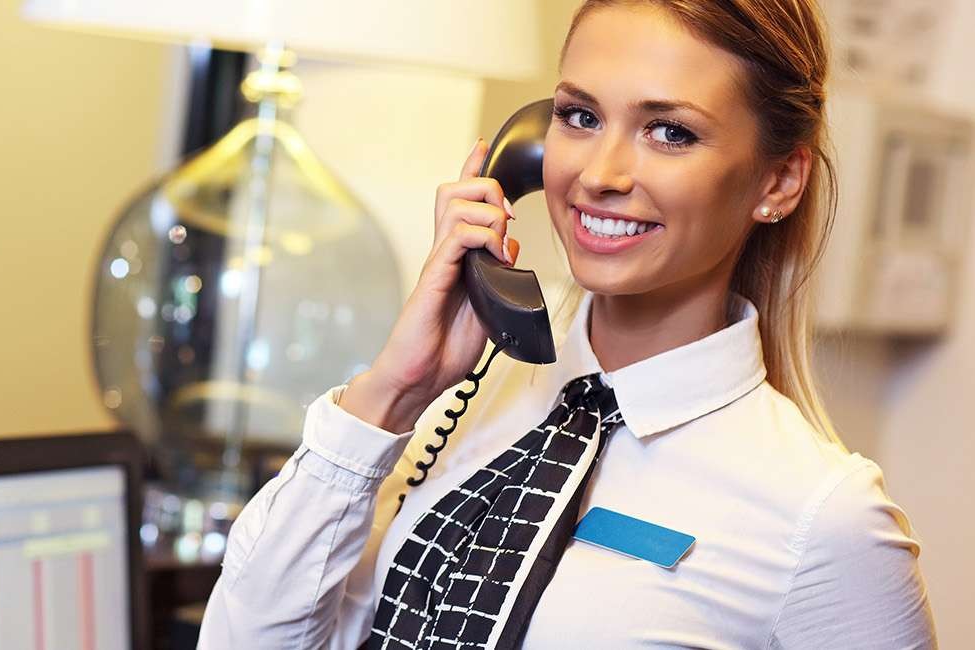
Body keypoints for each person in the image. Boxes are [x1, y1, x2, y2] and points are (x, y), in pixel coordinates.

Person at [197, 0, 938, 647]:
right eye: (579, 117)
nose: (599, 173)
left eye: (670, 132)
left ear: (777, 181)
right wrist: (391, 394)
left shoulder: (826, 520)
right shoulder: (458, 404)